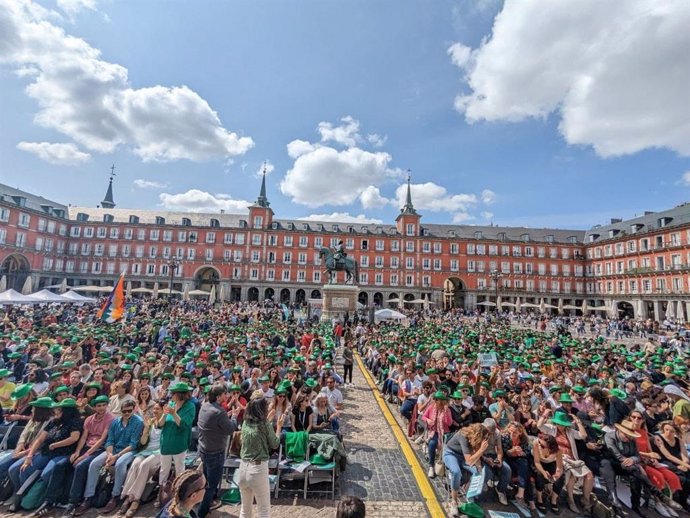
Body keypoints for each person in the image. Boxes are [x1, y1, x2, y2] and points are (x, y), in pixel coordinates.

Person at [8, 398, 82, 514]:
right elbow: (40, 439)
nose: (57, 411)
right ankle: (21, 494)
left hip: (63, 453)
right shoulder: (54, 421)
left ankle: (37, 499)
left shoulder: (75, 422)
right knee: (25, 468)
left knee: (46, 474)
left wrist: (56, 444)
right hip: (46, 452)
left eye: (60, 409)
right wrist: (29, 456)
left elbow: (74, 438)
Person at [74, 398, 143, 515]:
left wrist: (115, 456)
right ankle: (88, 497)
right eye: (124, 411)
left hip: (128, 451)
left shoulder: (138, 422)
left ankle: (115, 496)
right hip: (114, 449)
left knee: (120, 463)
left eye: (129, 411)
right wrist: (110, 454)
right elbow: (110, 440)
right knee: (94, 463)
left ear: (133, 410)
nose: (126, 414)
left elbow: (133, 444)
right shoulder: (115, 422)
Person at [62, 394, 114, 516]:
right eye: (98, 406)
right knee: (68, 463)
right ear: (94, 407)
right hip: (87, 446)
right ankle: (63, 496)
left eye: (103, 405)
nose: (101, 408)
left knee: (80, 466)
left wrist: (84, 455)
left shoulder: (110, 418)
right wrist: (77, 452)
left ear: (107, 406)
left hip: (99, 448)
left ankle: (73, 501)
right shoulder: (89, 419)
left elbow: (102, 439)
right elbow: (84, 437)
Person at [197, 384, 239, 518]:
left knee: (205, 481)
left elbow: (213, 423)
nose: (227, 396)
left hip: (204, 449)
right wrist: (234, 417)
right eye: (225, 394)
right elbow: (230, 429)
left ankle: (206, 503)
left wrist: (225, 417)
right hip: (215, 452)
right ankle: (202, 512)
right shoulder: (219, 412)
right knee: (211, 484)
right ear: (219, 396)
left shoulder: (205, 406)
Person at [118, 401, 165, 518]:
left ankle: (134, 499)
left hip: (160, 451)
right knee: (135, 464)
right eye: (154, 409)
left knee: (144, 465)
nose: (155, 411)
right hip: (147, 450)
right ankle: (129, 496)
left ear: (164, 411)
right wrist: (146, 430)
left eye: (158, 409)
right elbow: (143, 442)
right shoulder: (150, 422)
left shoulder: (167, 423)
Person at [238, 395, 281, 518]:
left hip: (243, 467)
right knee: (263, 511)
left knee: (245, 510)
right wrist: (278, 427)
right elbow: (275, 443)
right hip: (257, 469)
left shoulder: (246, 422)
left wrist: (268, 420)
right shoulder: (264, 424)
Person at [158, 382, 196, 506]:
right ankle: (162, 495)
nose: (171, 395)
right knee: (164, 470)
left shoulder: (190, 406)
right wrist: (164, 414)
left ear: (180, 395)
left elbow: (184, 425)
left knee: (180, 469)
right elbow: (160, 424)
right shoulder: (171, 404)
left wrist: (174, 413)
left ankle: (179, 495)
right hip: (166, 442)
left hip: (179, 443)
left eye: (173, 393)